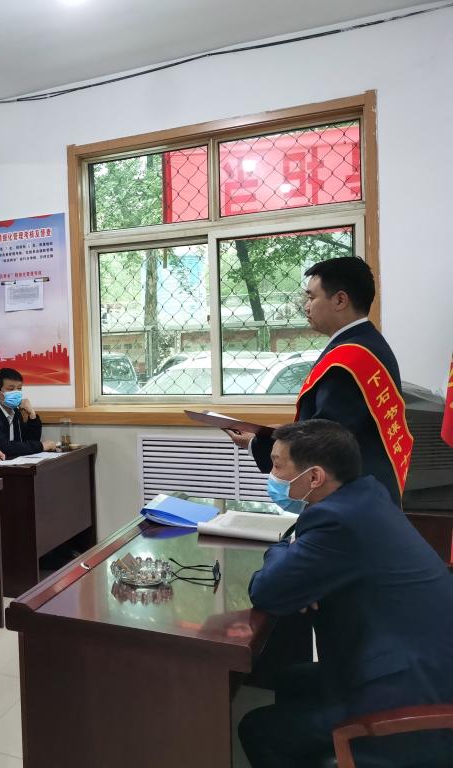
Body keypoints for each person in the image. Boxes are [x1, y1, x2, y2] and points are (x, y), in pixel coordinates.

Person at [238, 420, 453, 768]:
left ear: (315, 477)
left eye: (278, 465)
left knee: (258, 728)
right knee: (288, 680)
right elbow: (297, 572)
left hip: (410, 695)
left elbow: (266, 590)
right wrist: (302, 572)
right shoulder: (365, 496)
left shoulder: (338, 522)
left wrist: (284, 551)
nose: (272, 475)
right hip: (413, 664)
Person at [225, 257, 406, 506]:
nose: (306, 306)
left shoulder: (349, 359)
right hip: (368, 491)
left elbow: (326, 440)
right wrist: (270, 434)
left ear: (340, 300)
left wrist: (256, 443)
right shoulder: (367, 343)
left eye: (311, 297)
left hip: (348, 500)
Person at [0, 368, 58, 457]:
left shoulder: (15, 411)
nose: (16, 393)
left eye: (19, 388)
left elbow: (29, 441)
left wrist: (32, 415)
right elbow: (3, 447)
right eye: (11, 389)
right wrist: (41, 446)